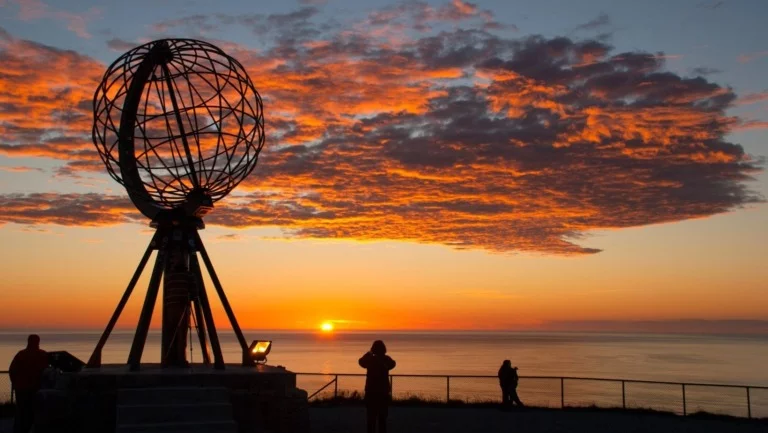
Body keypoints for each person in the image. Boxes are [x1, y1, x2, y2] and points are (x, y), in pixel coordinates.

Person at [9, 334, 49, 433]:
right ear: (38, 342)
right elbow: (47, 371)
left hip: (21, 388)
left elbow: (12, 370)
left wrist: (15, 384)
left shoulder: (21, 354)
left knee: (21, 412)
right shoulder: (42, 355)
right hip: (35, 389)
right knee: (34, 412)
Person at [359, 340, 396, 433]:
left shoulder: (370, 360)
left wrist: (369, 353)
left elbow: (361, 361)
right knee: (382, 419)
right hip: (383, 392)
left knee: (371, 419)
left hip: (371, 392)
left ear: (373, 349)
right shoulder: (386, 359)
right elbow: (393, 364)